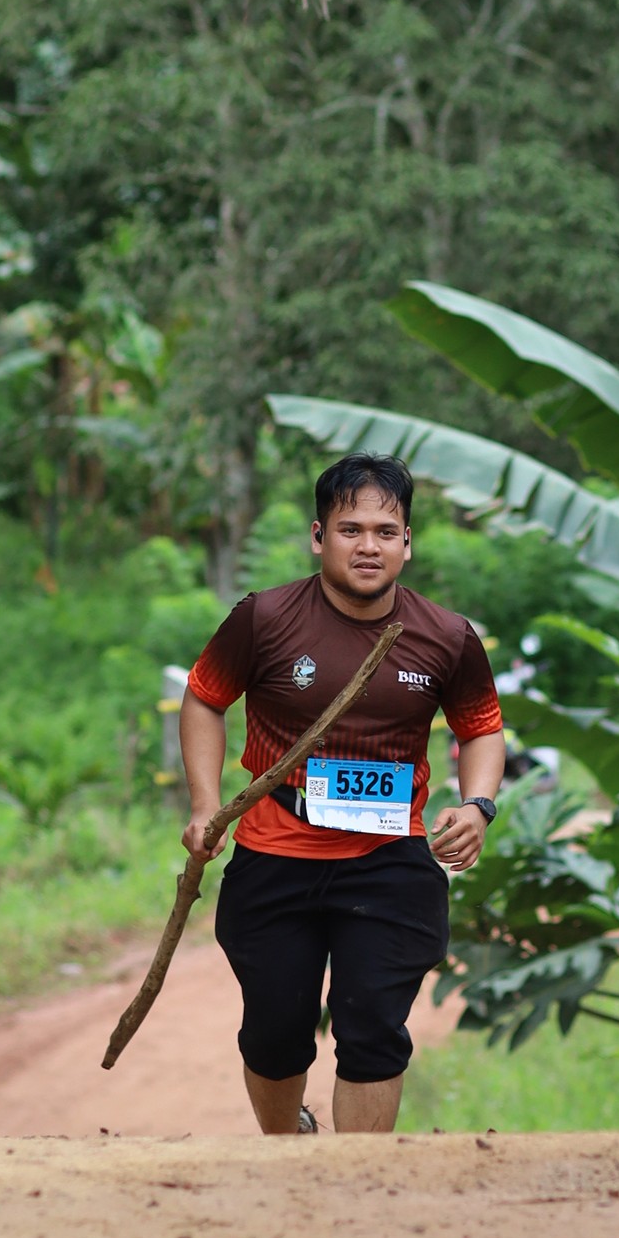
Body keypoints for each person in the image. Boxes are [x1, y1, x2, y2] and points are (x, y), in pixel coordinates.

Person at [179, 453, 506, 1136]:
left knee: (373, 1030)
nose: (368, 546)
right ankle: (289, 1150)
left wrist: (478, 804)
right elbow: (205, 698)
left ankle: (356, 1183)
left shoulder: (446, 636)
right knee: (274, 1032)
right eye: (350, 529)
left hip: (390, 861)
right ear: (318, 537)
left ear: (407, 543)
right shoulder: (264, 618)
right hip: (275, 853)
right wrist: (205, 805)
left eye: (386, 532)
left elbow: (481, 727)